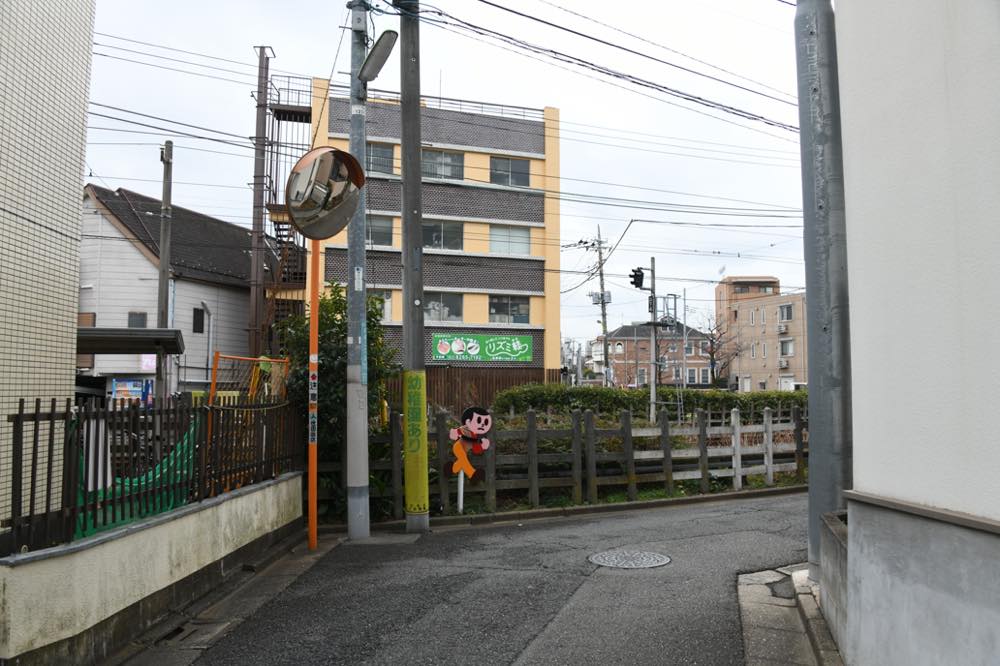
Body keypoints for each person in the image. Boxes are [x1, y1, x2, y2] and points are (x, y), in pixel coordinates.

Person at [449, 406, 492, 480]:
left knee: (462, 461)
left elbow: (477, 447)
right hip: (458, 446)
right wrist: (455, 432)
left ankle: (452, 469)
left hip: (465, 449)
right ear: (468, 421)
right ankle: (472, 473)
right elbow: (454, 434)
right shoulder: (464, 429)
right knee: (463, 458)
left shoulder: (476, 435)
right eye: (478, 421)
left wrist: (483, 445)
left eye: (485, 422)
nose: (482, 424)